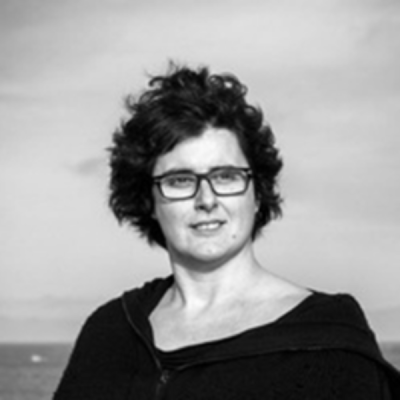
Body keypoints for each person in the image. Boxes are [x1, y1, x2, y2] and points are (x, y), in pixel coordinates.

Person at [54, 63, 400, 399]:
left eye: (225, 177)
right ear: (149, 201)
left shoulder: (329, 341)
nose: (206, 200)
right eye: (180, 180)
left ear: (257, 193)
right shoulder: (111, 332)